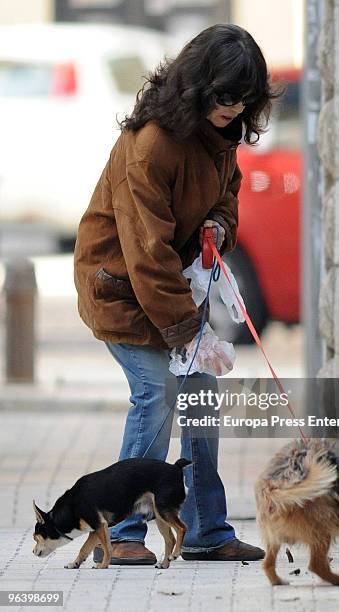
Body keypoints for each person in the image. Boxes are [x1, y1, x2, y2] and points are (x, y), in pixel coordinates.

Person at [74, 23, 279, 565]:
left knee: (201, 401)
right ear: (197, 87)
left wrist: (217, 226)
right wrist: (189, 334)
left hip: (170, 291)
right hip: (121, 289)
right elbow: (147, 254)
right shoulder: (151, 147)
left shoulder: (220, 138)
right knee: (159, 399)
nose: (234, 109)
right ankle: (119, 536)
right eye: (224, 96)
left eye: (244, 98)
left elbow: (226, 195)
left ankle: (207, 531)